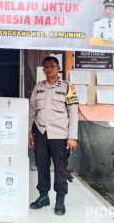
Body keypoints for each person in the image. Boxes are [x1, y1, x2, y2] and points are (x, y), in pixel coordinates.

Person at [28, 56, 79, 216]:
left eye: (52, 66)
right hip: (41, 132)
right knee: (41, 166)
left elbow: (73, 112)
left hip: (60, 134)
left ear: (58, 69)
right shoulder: (38, 87)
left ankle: (60, 200)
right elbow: (31, 110)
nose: (49, 69)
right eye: (46, 67)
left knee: (60, 169)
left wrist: (72, 137)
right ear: (43, 70)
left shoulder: (68, 87)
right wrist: (29, 130)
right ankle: (43, 196)